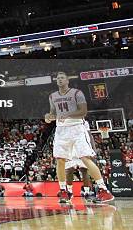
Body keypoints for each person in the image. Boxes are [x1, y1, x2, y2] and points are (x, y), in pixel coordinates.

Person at [44, 71, 114, 204]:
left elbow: (83, 111)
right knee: (60, 160)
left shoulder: (77, 93)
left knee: (85, 159)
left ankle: (104, 190)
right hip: (61, 130)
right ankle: (64, 191)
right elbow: (53, 113)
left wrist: (68, 115)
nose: (59, 80)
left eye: (62, 78)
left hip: (77, 128)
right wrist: (48, 116)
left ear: (67, 80)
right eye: (58, 78)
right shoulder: (52, 96)